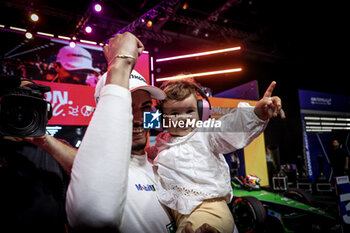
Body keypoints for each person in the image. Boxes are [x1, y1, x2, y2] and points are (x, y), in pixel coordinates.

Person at [65, 32, 222, 233]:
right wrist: (120, 65)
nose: (138, 118)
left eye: (146, 106)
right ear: (107, 111)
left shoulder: (163, 163)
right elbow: (95, 215)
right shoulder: (98, 176)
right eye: (127, 107)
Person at [145, 79, 285, 233]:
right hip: (179, 213)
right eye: (175, 113)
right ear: (161, 118)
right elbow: (148, 157)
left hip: (209, 209)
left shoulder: (205, 133)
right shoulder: (162, 142)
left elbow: (229, 127)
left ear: (200, 111)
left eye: (189, 111)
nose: (183, 118)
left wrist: (257, 113)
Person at [0, 77, 78, 233]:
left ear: (44, 112)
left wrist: (43, 139)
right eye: (16, 105)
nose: (21, 113)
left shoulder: (55, 147)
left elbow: (87, 172)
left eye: (29, 106)